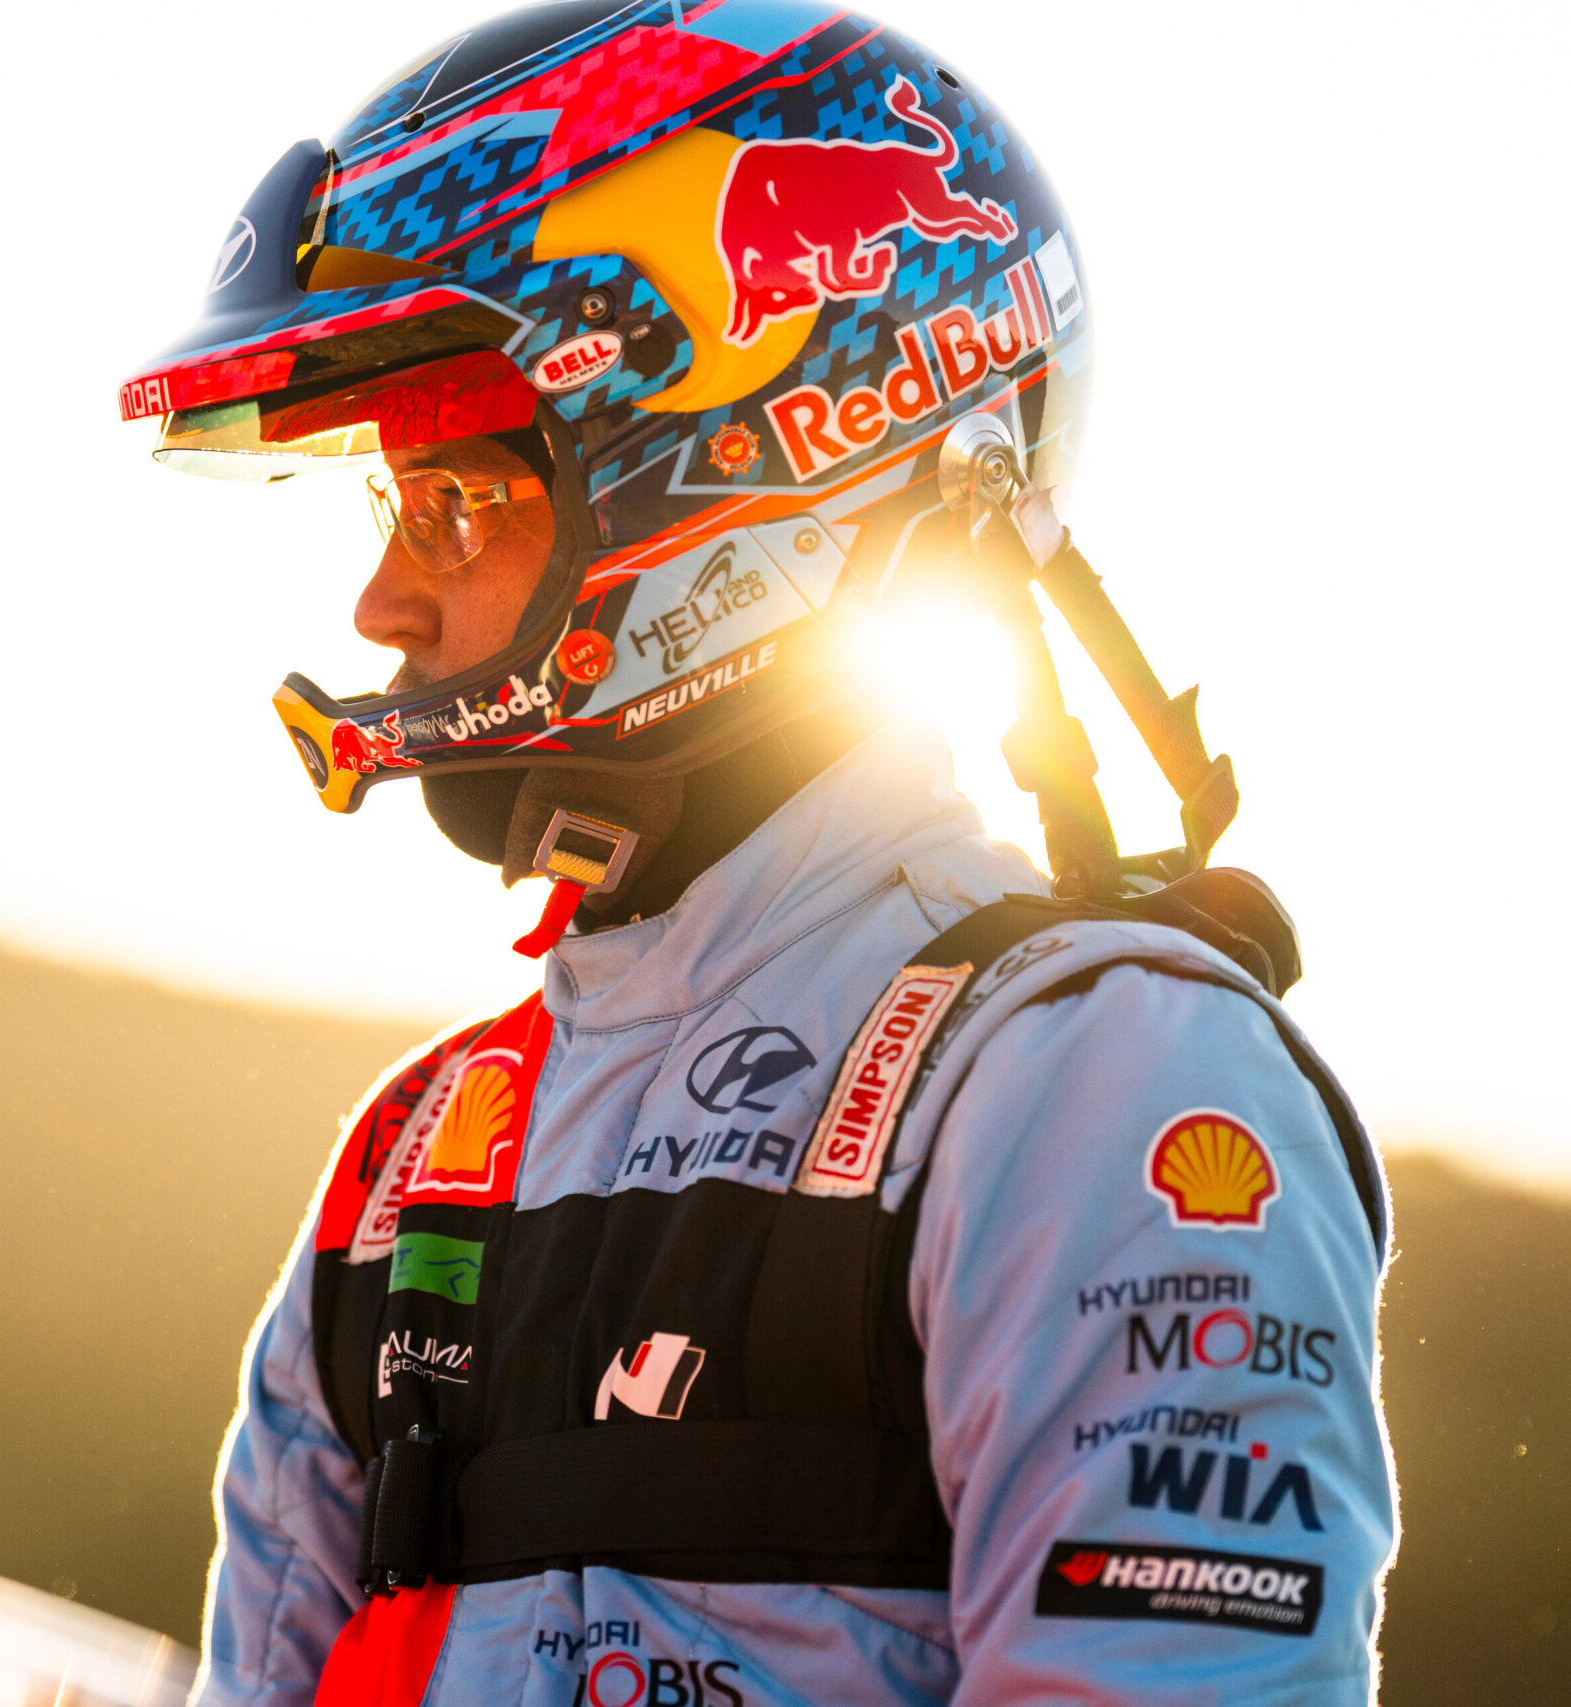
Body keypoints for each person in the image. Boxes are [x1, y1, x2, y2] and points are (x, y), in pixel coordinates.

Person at [120, 4, 1395, 1702]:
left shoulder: (1100, 1086)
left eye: (459, 505)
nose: (381, 605)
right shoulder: (411, 1168)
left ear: (748, 461)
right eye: (388, 506)